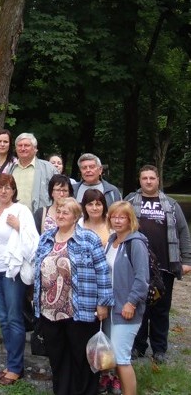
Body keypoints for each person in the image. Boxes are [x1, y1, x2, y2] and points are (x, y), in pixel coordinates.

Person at [34, 197, 113, 395]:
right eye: (59, 212)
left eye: (66, 212)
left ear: (76, 216)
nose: (60, 215)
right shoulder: (46, 237)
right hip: (50, 311)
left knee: (81, 356)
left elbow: (102, 271)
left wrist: (103, 303)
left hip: (80, 308)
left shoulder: (88, 238)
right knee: (57, 356)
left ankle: (85, 391)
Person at [125, 164, 191, 363]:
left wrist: (187, 259)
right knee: (139, 306)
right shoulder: (129, 202)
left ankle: (159, 349)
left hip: (164, 266)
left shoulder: (171, 204)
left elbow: (183, 231)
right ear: (140, 180)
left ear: (158, 180)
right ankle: (138, 346)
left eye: (151, 178)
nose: (148, 181)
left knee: (161, 309)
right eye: (144, 178)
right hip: (136, 265)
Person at [0, 173, 39, 385]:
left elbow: (34, 241)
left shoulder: (21, 210)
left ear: (14, 190)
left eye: (8, 187)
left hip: (12, 271)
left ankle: (15, 368)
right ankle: (12, 363)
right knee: (3, 318)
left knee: (14, 318)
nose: (3, 191)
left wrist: (19, 226)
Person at [102, 201, 149, 395]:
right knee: (111, 356)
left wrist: (131, 302)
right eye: (114, 216)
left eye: (122, 217)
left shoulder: (136, 243)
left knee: (121, 358)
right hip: (110, 308)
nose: (117, 220)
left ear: (131, 220)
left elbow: (142, 278)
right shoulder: (112, 241)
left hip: (126, 309)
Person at [5, 132, 55, 212]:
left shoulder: (48, 168)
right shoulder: (10, 169)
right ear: (16, 149)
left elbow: (59, 193)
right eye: (20, 145)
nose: (23, 148)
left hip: (39, 216)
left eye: (27, 145)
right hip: (13, 215)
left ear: (35, 149)